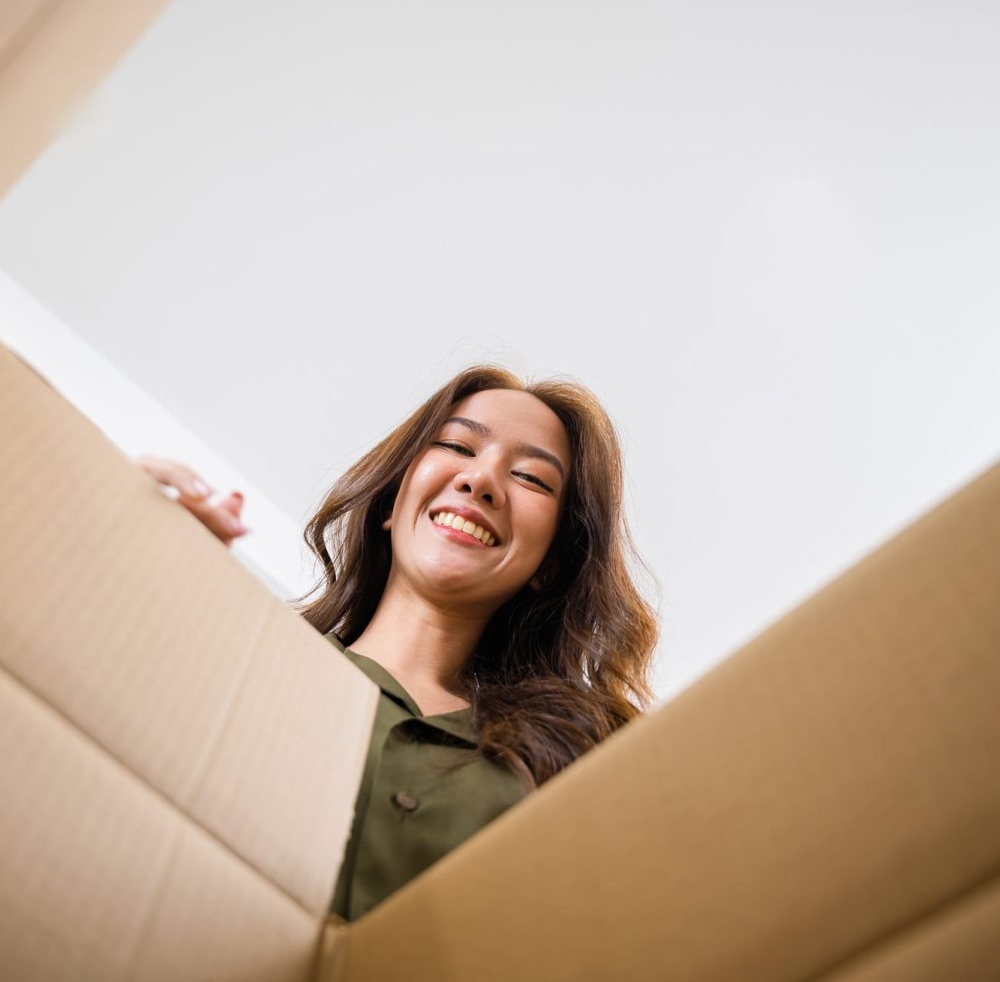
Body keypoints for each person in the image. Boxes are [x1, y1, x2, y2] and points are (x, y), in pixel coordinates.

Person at [139, 365, 659, 921]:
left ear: (550, 563)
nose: (481, 480)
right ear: (392, 501)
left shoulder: (580, 761)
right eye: (458, 445)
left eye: (531, 478)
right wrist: (142, 564)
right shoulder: (246, 654)